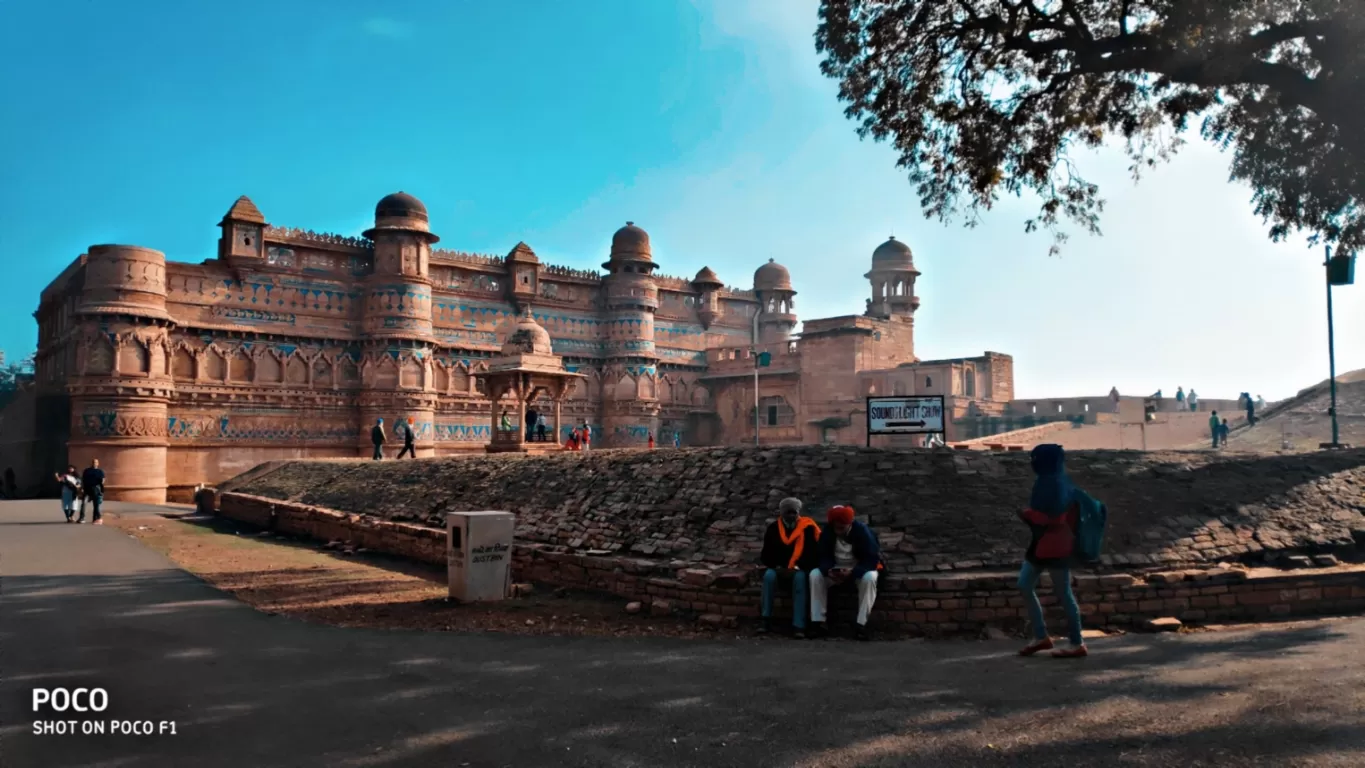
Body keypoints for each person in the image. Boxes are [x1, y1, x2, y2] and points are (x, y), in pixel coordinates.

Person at [1017, 444, 1087, 658]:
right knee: (1024, 584)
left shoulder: (1055, 483)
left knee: (1063, 592)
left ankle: (1076, 643)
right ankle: (1041, 637)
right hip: (1043, 543)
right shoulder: (1052, 480)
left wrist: (1029, 514)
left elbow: (1055, 516)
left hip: (1056, 545)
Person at [809, 505, 883, 641]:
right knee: (815, 575)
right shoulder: (828, 532)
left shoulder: (863, 532)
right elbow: (822, 555)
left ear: (849, 524)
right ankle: (817, 622)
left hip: (858, 571)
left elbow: (871, 559)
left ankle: (862, 624)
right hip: (835, 570)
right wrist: (828, 570)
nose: (838, 532)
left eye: (842, 528)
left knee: (870, 578)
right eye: (836, 528)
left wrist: (852, 572)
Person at [758, 498, 821, 638]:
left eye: (794, 512)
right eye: (788, 512)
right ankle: (765, 619)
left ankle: (799, 625)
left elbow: (813, 553)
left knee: (800, 581)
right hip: (778, 567)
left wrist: (798, 566)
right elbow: (766, 554)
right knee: (768, 577)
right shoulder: (774, 529)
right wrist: (778, 566)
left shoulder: (807, 528)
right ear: (782, 513)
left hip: (798, 568)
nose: (791, 516)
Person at [79, 459, 106, 525]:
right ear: (91, 463)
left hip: (95, 489)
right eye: (93, 462)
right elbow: (83, 480)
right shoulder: (87, 471)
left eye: (96, 462)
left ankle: (95, 519)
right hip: (87, 489)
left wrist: (100, 488)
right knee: (83, 503)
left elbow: (103, 480)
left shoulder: (100, 471)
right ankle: (82, 518)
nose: (94, 463)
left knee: (96, 505)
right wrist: (82, 488)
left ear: (98, 463)